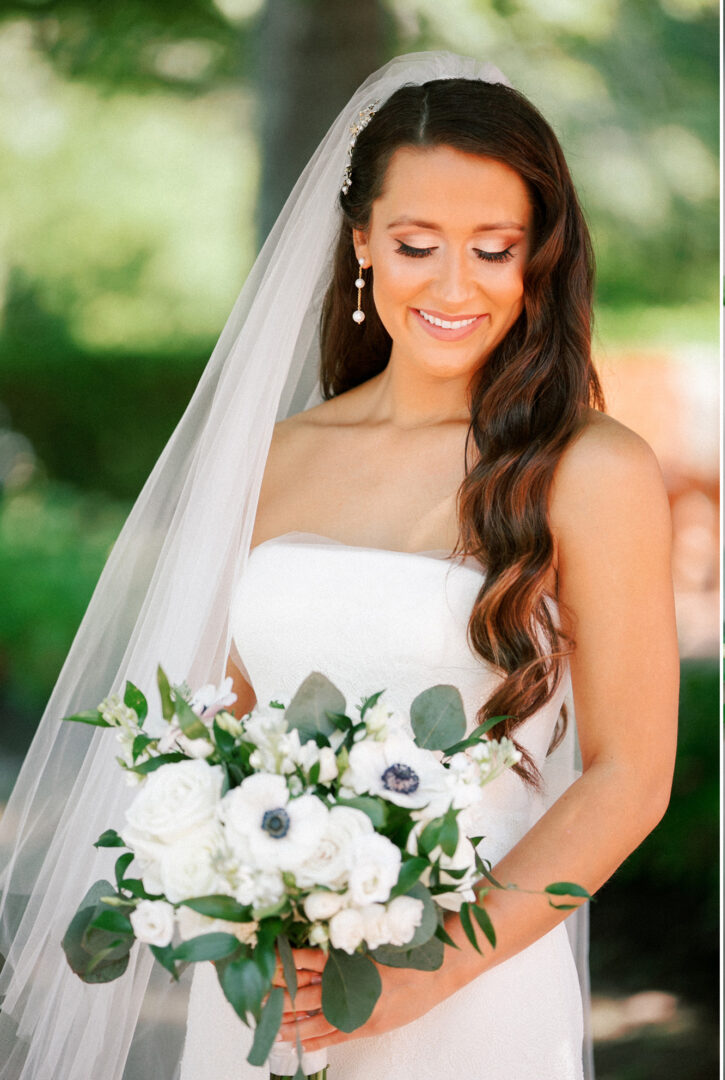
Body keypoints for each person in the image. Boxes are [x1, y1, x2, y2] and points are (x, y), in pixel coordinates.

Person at [0, 51, 678, 1080]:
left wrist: (429, 971)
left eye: (494, 249)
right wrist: (239, 887)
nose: (456, 286)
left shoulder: (591, 468)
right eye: (417, 245)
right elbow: (217, 725)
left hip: (476, 985)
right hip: (281, 985)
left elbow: (630, 779)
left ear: (538, 258)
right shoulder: (272, 461)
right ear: (362, 243)